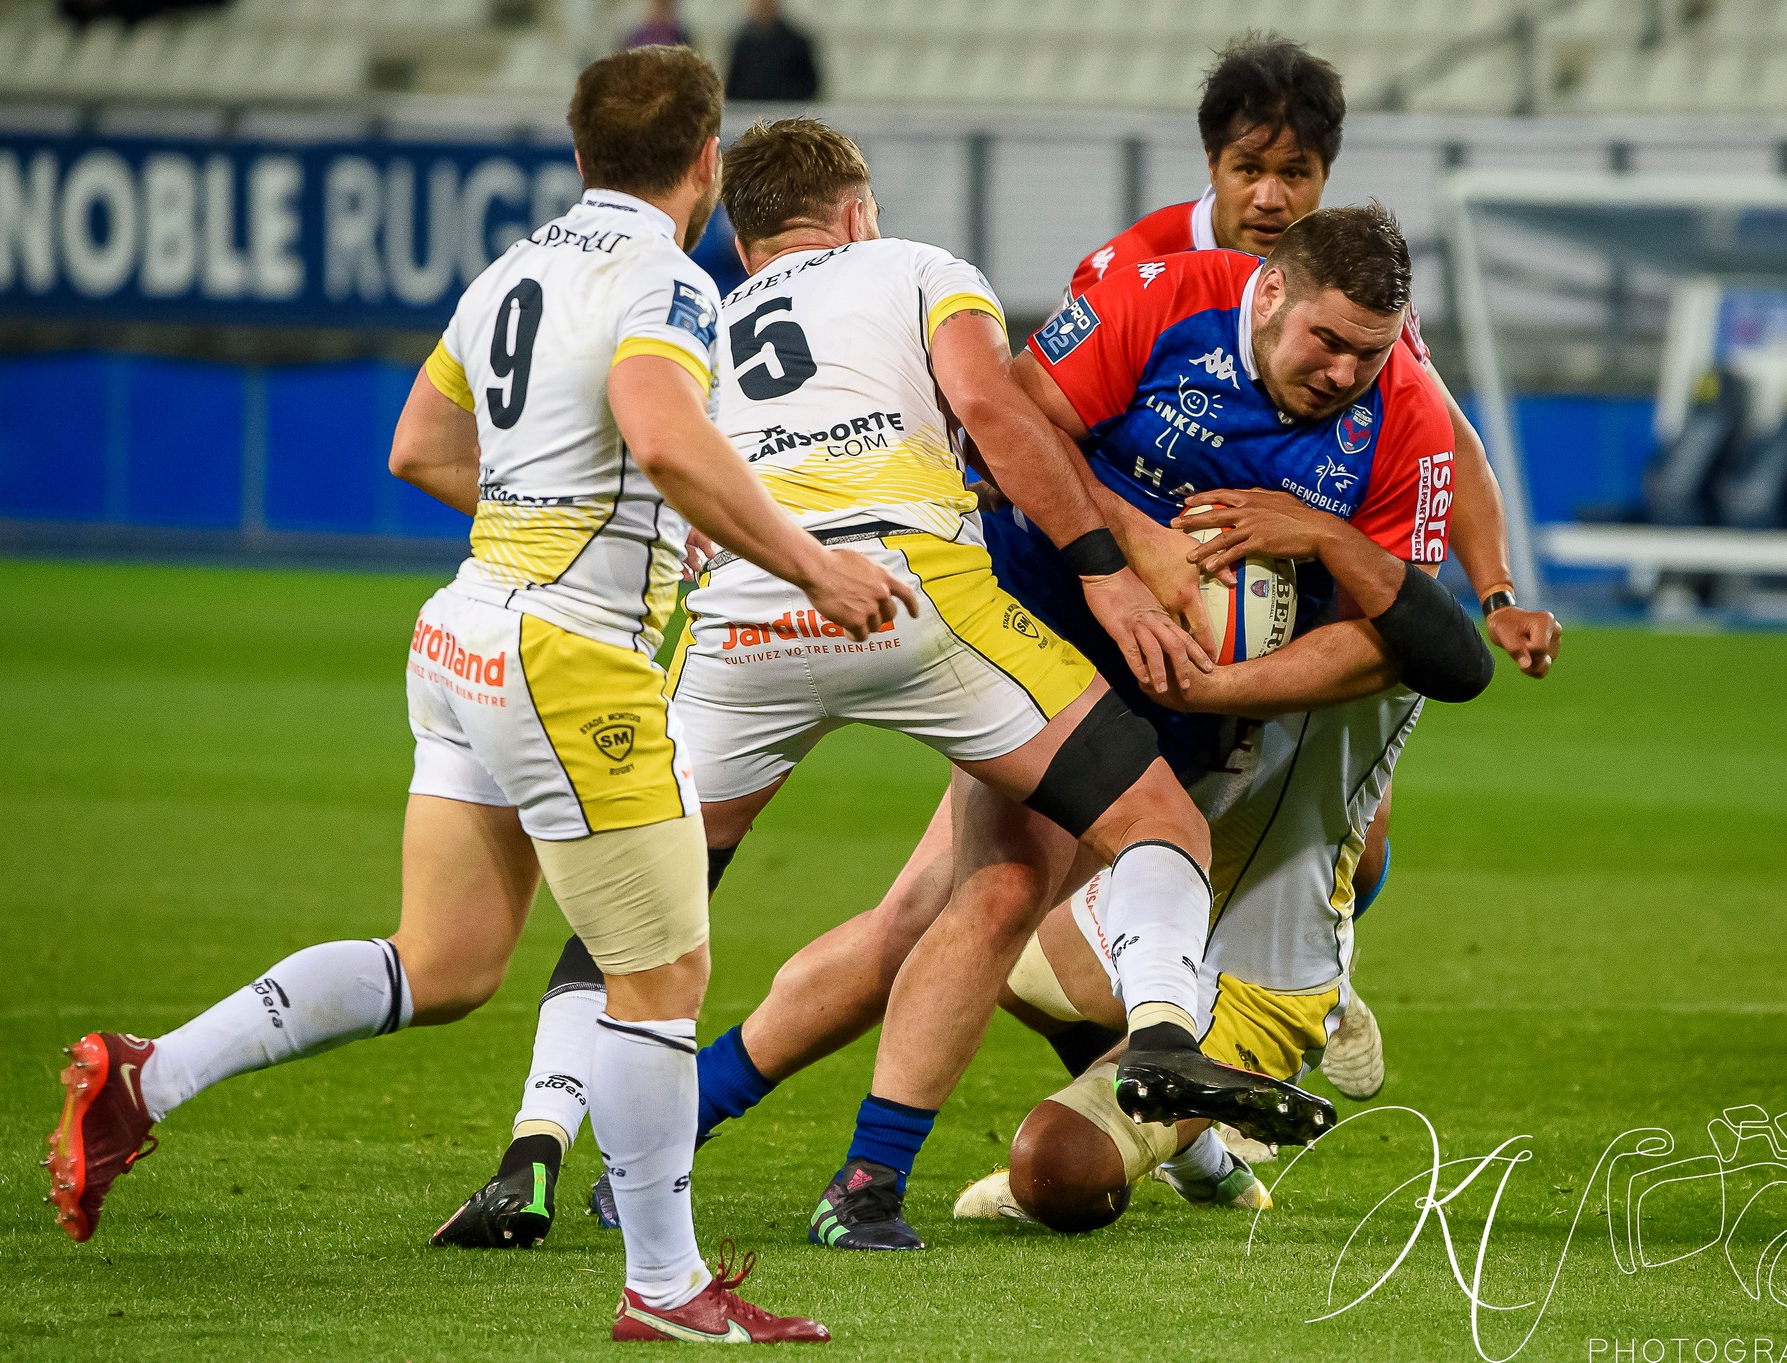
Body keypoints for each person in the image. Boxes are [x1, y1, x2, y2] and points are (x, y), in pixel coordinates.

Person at [36, 47, 912, 1345]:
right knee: (662, 971)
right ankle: (667, 1286)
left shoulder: (514, 268)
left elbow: (421, 447)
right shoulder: (668, 278)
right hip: (567, 652)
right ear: (705, 162)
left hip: (462, 632)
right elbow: (663, 433)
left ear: (576, 155)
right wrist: (809, 563)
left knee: (442, 962)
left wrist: (567, 520)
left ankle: (149, 1075)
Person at [432, 114, 1336, 1255]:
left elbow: (604, 458)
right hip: (910, 594)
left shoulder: (694, 317)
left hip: (741, 620)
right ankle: (1146, 1042)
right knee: (1147, 815)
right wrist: (1105, 571)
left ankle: (538, 1151)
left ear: (745, 236)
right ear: (856, 210)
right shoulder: (916, 267)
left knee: (642, 906)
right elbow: (997, 410)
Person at [542, 204, 1494, 1254]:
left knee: (923, 912)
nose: (1344, 372)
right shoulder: (1158, 295)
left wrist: (1224, 683)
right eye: (1327, 343)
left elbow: (1410, 646)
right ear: (1267, 291)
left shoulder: (1402, 408)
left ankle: (1177, 1120)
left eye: (1369, 352)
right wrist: (1127, 550)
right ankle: (881, 1173)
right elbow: (1007, 435)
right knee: (996, 893)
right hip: (1045, 628)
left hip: (1204, 701)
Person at [1067, 33, 1563, 1097]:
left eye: (1295, 172)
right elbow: (1043, 425)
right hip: (1143, 592)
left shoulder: (1352, 294)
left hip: (1289, 593)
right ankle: (1183, 1049)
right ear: (1211, 165)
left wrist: (1495, 591)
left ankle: (1308, 981)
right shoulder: (1142, 265)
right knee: (1100, 856)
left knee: (1361, 843)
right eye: (1250, 168)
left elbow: (1451, 441)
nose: (1270, 193)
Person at [955, 674, 1424, 1231]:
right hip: (1150, 902)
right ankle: (1197, 1156)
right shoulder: (1159, 617)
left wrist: (1493, 594)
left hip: (1254, 986)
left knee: (1055, 1168)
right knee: (993, 948)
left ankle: (1323, 999)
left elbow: (1447, 656)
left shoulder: (1357, 645)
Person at [725, 0, 821, 102]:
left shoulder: (796, 42)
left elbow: (809, 84)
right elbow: (733, 85)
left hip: (787, 110)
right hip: (750, 112)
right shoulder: (742, 44)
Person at [625, 0, 692, 50]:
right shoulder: (637, 36)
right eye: (659, 4)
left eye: (666, 5)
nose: (661, 10)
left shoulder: (682, 36)